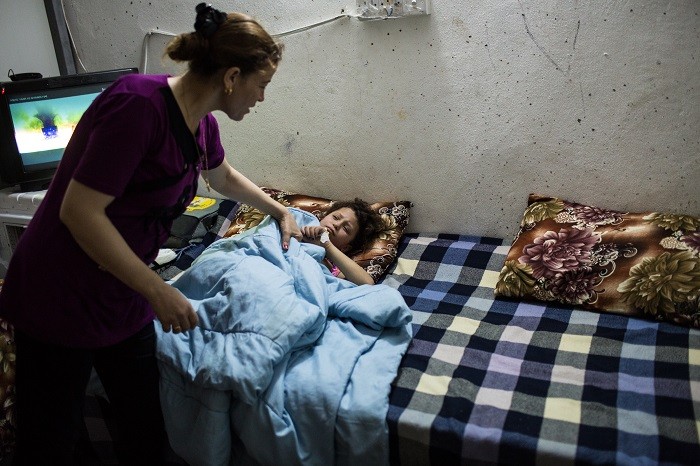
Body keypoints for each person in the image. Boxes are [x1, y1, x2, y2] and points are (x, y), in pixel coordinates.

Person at [0, 4, 301, 465]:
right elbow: (80, 213)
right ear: (232, 76)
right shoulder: (138, 106)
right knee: (48, 442)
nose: (261, 98)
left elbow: (220, 177)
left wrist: (281, 211)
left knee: (144, 427)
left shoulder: (202, 126)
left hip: (120, 292)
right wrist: (158, 291)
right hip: (60, 294)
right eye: (261, 85)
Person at [301, 198, 383, 286]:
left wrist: (326, 245)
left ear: (346, 247)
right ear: (324, 217)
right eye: (335, 217)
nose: (336, 224)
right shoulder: (300, 222)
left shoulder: (334, 268)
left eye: (346, 228)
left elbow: (367, 283)